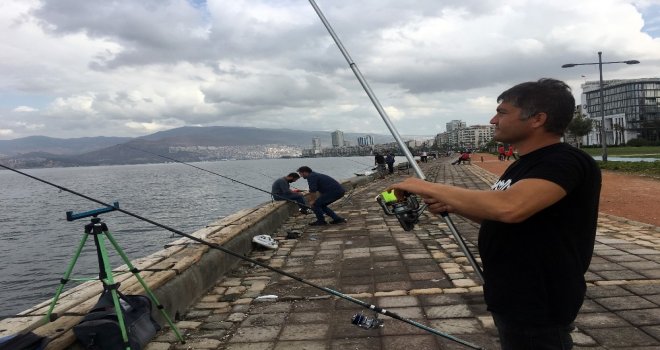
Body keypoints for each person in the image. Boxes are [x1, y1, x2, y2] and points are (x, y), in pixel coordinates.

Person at [389, 78, 601, 350]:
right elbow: (506, 215)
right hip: (511, 293)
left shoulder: (564, 161)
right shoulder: (523, 165)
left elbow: (509, 207)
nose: (492, 120)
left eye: (502, 113)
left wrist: (425, 185)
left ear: (537, 119)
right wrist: (456, 205)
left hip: (539, 298)